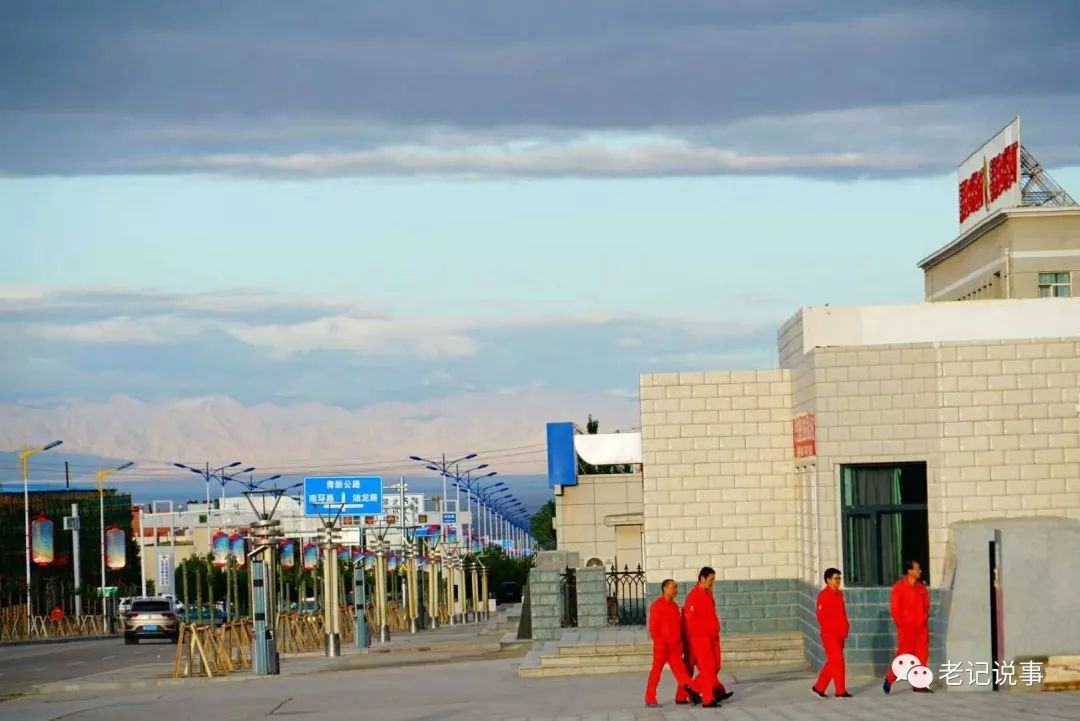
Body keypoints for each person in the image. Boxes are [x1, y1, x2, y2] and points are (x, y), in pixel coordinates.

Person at [679, 566, 733, 708]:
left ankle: (694, 688)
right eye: (710, 579)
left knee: (716, 666)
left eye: (713, 580)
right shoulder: (693, 596)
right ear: (702, 578)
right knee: (708, 668)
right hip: (700, 639)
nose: (712, 582)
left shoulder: (708, 594)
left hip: (713, 637)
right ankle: (708, 700)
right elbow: (689, 621)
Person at [644, 579, 699, 708]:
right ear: (665, 588)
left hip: (675, 647)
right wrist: (661, 641)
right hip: (662, 646)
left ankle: (692, 695)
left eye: (676, 588)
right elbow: (653, 627)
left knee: (682, 673)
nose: (676, 590)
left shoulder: (674, 606)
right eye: (673, 587)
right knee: (656, 672)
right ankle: (650, 698)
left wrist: (680, 641)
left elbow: (679, 625)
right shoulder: (656, 606)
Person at [883, 559, 932, 694]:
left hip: (921, 628)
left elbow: (927, 606)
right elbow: (895, 609)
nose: (920, 571)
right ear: (909, 571)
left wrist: (923, 619)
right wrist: (903, 625)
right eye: (917, 569)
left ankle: (919, 685)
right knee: (904, 656)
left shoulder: (921, 588)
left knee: (922, 656)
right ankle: (890, 678)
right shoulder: (898, 588)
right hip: (906, 629)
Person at [811, 568, 852, 699]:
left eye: (839, 578)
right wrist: (832, 629)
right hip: (830, 635)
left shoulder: (839, 594)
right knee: (838, 662)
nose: (838, 581)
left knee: (833, 662)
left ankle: (819, 687)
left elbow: (842, 613)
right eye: (836, 578)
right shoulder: (824, 595)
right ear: (828, 580)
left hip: (840, 633)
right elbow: (820, 616)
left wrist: (845, 627)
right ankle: (840, 691)